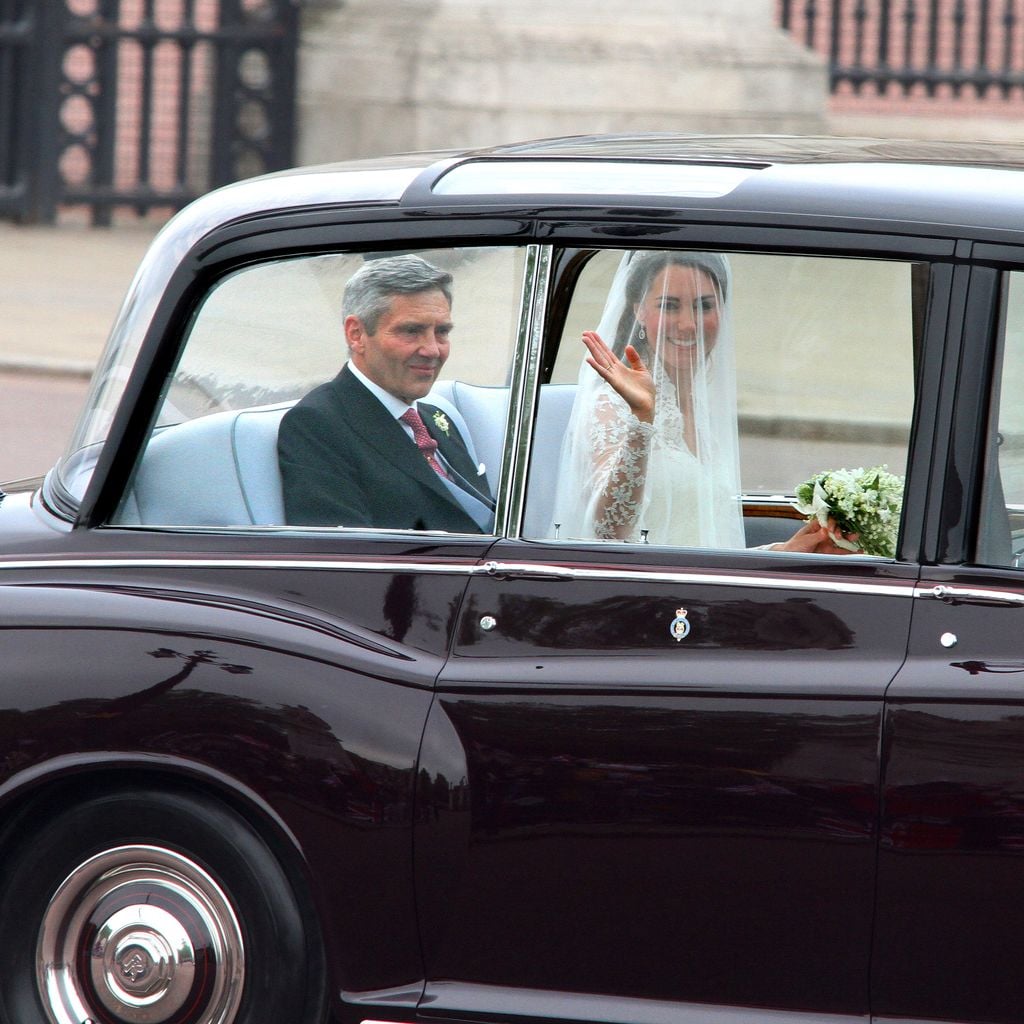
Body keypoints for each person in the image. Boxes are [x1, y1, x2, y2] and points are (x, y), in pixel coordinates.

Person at [550, 250, 855, 553]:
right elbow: (607, 531)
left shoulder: (702, 411)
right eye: (669, 305)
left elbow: (702, 544)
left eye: (704, 306)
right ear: (640, 310)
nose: (688, 324)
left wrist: (783, 552)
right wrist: (641, 420)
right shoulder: (610, 405)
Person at [278, 254, 493, 531]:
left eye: (441, 332)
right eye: (411, 331)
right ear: (356, 334)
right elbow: (341, 557)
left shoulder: (436, 417)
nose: (432, 350)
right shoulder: (318, 425)